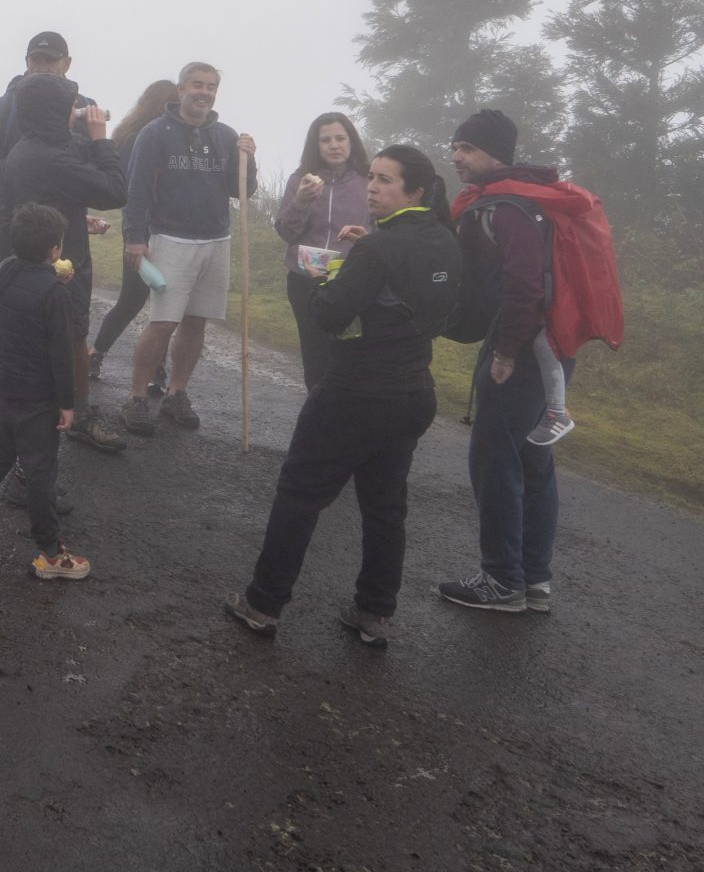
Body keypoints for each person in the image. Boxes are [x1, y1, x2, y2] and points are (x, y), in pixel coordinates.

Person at [224, 145, 461, 646]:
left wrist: (327, 277)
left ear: (416, 191)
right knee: (385, 506)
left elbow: (330, 315)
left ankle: (263, 604)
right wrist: (368, 252)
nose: (372, 187)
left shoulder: (379, 249)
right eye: (372, 176)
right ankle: (374, 613)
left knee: (299, 494)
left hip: (355, 391)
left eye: (386, 180)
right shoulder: (444, 238)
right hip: (414, 391)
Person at [438, 110, 568, 614]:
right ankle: (534, 580)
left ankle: (501, 581)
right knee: (532, 460)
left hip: (524, 349)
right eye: (455, 146)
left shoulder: (507, 208)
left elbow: (524, 286)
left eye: (467, 148)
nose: (456, 156)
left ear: (495, 154)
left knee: (494, 460)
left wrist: (506, 352)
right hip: (553, 348)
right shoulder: (531, 198)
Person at [0, 202, 91, 581]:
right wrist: (67, 403)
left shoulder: (4, 274)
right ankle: (51, 554)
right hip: (38, 399)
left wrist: (51, 279)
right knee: (40, 472)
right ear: (54, 251)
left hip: (5, 385)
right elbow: (61, 353)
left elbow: (24, 302)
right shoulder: (55, 294)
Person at [117, 62, 256, 436]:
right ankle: (136, 397)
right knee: (163, 323)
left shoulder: (226, 135)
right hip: (171, 238)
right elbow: (137, 190)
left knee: (196, 322)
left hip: (216, 238)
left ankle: (177, 393)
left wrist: (249, 159)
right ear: (181, 89)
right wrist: (135, 238)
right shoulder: (154, 133)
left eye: (211, 87)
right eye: (197, 84)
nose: (204, 92)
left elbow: (240, 189)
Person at [0, 72, 129, 453]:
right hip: (57, 268)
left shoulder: (25, 147)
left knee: (42, 341)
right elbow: (116, 191)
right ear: (53, 112)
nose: (77, 111)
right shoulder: (53, 157)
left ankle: (30, 428)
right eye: (71, 106)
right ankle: (73, 419)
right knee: (70, 340)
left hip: (31, 259)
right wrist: (101, 139)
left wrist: (74, 217)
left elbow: (38, 200)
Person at [272, 112, 371, 391]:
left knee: (352, 354)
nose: (334, 145)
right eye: (325, 140)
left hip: (351, 280)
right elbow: (287, 233)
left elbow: (380, 232)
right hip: (305, 280)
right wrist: (301, 202)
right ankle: (317, 411)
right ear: (315, 146)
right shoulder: (299, 180)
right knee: (315, 356)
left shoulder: (368, 180)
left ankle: (348, 414)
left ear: (351, 142)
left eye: (340, 138)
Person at [90, 78, 178, 388]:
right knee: (143, 299)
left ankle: (103, 356)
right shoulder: (141, 138)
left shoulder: (128, 134)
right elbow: (132, 186)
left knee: (141, 299)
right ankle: (104, 355)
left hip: (150, 226)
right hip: (146, 226)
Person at [0, 31, 77, 263]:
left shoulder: (83, 109)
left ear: (67, 63)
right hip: (14, 232)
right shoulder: (1, 109)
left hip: (68, 232)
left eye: (51, 60)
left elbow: (92, 170)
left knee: (65, 287)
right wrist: (24, 168)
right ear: (26, 62)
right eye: (36, 60)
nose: (43, 68)